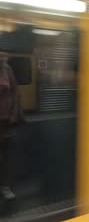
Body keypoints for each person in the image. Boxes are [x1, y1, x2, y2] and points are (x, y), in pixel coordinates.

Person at [0, 52, 24, 199]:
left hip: (6, 120)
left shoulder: (7, 69)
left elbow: (15, 93)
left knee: (7, 155)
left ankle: (4, 186)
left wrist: (14, 113)